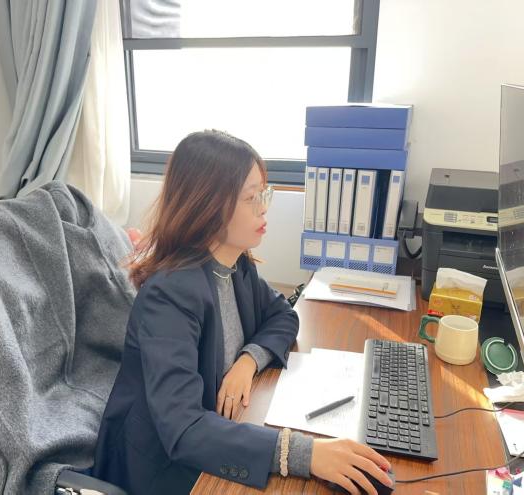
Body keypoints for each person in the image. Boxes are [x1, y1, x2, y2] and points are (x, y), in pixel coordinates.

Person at [93, 130, 393, 494]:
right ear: (208, 206)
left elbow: (283, 315)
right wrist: (305, 454)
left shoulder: (235, 265)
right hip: (160, 464)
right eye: (251, 198)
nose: (263, 208)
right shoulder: (169, 296)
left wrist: (247, 362)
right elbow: (183, 428)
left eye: (263, 194)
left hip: (220, 430)